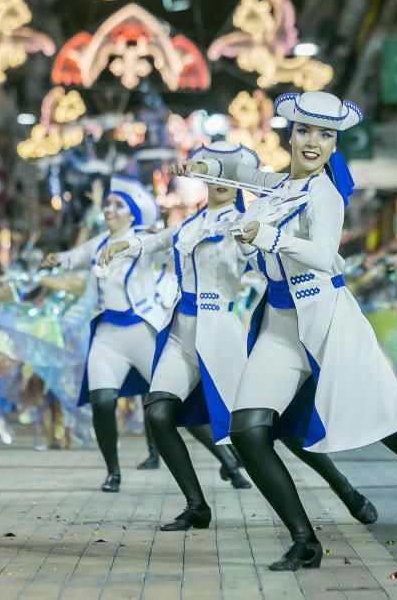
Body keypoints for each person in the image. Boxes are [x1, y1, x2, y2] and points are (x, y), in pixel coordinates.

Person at [177, 91, 397, 570]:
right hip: (280, 328)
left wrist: (268, 236)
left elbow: (326, 256)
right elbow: (241, 174)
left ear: (334, 143)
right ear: (291, 134)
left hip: (330, 325)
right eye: (304, 131)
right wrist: (198, 168)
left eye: (326, 135)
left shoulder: (324, 193)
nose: (313, 142)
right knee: (247, 430)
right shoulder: (280, 184)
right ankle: (304, 539)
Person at [99, 147, 376, 531]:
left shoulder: (250, 220)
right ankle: (196, 505)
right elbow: (156, 241)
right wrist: (124, 245)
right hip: (181, 334)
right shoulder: (190, 224)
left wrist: (266, 244)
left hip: (221, 336)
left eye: (231, 174)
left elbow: (276, 257)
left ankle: (345, 489)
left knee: (274, 428)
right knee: (159, 413)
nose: (222, 182)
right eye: (215, 173)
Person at [43, 176, 249, 494]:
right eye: (108, 204)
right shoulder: (99, 242)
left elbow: (171, 250)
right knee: (101, 401)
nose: (109, 210)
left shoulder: (145, 239)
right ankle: (113, 472)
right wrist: (58, 260)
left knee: (171, 404)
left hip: (142, 331)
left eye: (117, 205)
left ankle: (230, 462)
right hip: (107, 336)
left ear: (133, 215)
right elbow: (76, 257)